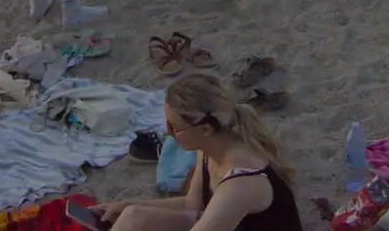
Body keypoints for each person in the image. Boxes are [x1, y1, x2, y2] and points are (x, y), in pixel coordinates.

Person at [94, 73, 302, 231]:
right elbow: (190, 205)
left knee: (135, 221)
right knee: (133, 216)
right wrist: (127, 205)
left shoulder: (240, 183)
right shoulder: (210, 149)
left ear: (205, 130)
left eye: (174, 127)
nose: (168, 134)